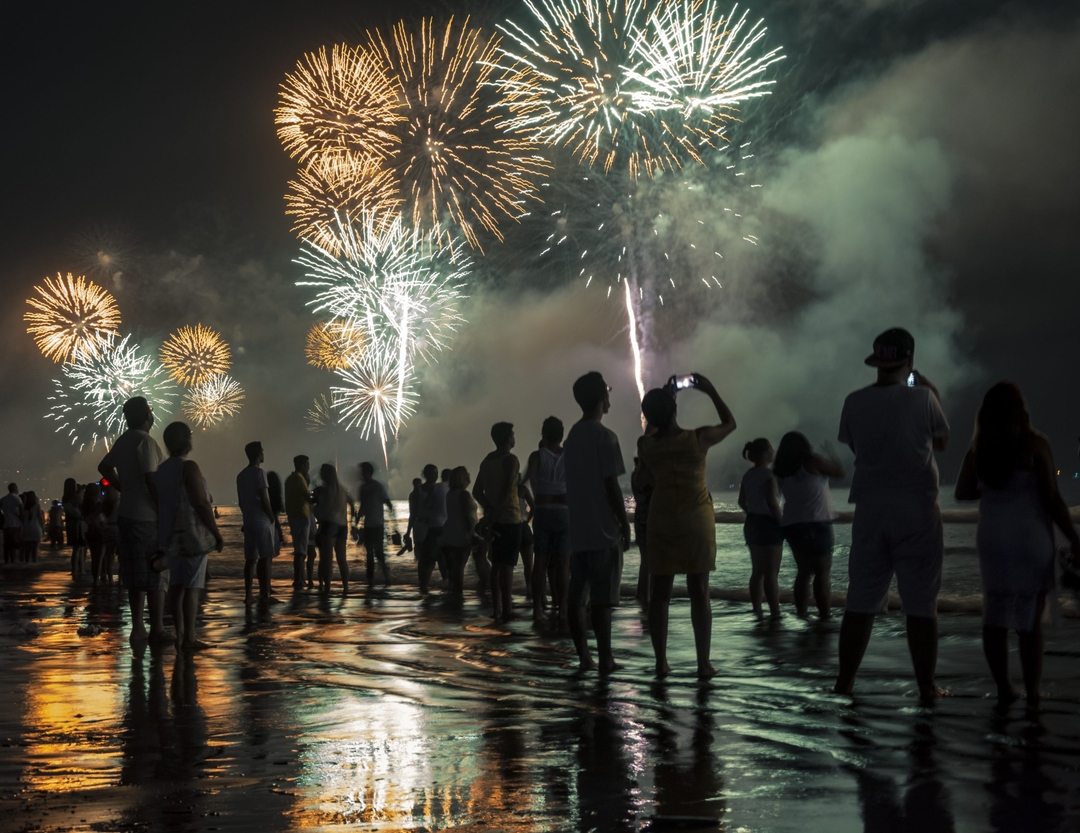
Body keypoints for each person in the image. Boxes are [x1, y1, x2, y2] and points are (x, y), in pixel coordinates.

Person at [834, 328, 950, 702]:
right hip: (917, 510)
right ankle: (926, 686)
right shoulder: (923, 399)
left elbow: (855, 446)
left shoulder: (853, 402)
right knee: (920, 604)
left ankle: (845, 682)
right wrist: (927, 386)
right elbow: (943, 441)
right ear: (909, 360)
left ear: (877, 361)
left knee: (860, 602)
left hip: (870, 511)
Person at [954, 382, 1080, 709]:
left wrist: (996, 488)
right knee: (1029, 622)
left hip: (993, 536)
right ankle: (1033, 692)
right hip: (1029, 537)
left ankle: (1005, 688)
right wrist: (1075, 539)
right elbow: (1051, 498)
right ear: (1020, 410)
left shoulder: (979, 448)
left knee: (994, 616)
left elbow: (963, 492)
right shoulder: (1036, 444)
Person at [637, 375, 737, 679]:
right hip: (696, 521)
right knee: (699, 591)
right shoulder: (699, 438)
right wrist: (709, 389)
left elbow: (653, 428)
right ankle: (703, 663)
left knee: (660, 594)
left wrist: (662, 402)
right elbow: (730, 423)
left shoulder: (645, 446)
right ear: (675, 410)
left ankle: (661, 662)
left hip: (662, 519)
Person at [564, 372, 630, 673]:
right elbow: (611, 486)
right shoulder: (606, 437)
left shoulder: (572, 437)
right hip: (603, 531)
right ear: (602, 397)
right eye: (608, 389)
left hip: (577, 530)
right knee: (603, 601)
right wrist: (625, 523)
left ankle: (583, 657)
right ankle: (606, 658)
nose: (610, 394)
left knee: (577, 597)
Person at [98, 396, 168, 644]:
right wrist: (164, 509)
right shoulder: (146, 442)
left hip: (126, 514)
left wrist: (124, 488)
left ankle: (138, 627)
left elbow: (103, 467)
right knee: (155, 572)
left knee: (134, 572)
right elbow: (151, 479)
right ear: (147, 416)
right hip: (146, 516)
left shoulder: (124, 440)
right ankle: (157, 628)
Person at [156, 421, 224, 651]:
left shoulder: (162, 470)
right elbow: (201, 503)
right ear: (186, 441)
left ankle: (180, 634)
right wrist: (216, 533)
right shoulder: (190, 467)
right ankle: (190, 637)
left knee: (176, 586)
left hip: (169, 536)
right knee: (192, 588)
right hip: (191, 535)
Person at [774, 432, 845, 619]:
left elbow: (776, 496)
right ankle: (824, 616)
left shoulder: (781, 468)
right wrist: (832, 455)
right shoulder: (813, 460)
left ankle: (802, 613)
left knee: (804, 572)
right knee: (822, 572)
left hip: (792, 524)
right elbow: (839, 472)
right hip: (816, 520)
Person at [524, 417, 571, 624]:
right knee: (563, 564)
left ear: (543, 433)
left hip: (542, 510)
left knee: (540, 562)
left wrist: (539, 490)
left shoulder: (537, 456)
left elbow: (526, 479)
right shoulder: (569, 455)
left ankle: (537, 609)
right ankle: (562, 609)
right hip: (564, 511)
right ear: (561, 434)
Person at [474, 423, 522, 621]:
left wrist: (489, 509)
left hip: (494, 520)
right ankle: (508, 608)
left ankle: (497, 608)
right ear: (507, 438)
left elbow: (476, 490)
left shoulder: (486, 461)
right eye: (512, 434)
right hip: (510, 518)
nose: (514, 437)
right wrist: (497, 511)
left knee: (496, 565)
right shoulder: (511, 460)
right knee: (508, 565)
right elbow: (508, 488)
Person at [738, 439, 783, 619]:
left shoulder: (748, 475)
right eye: (771, 449)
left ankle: (757, 609)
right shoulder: (769, 475)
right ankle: (775, 611)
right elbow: (773, 502)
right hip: (769, 524)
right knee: (771, 573)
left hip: (752, 523)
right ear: (765, 454)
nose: (774, 451)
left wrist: (754, 512)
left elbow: (741, 502)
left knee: (757, 571)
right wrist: (782, 523)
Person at [236, 441, 277, 605]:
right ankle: (265, 594)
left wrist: (246, 516)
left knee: (250, 559)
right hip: (261, 520)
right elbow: (264, 498)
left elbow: (241, 501)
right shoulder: (259, 473)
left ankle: (248, 595)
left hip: (249, 520)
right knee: (266, 557)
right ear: (258, 454)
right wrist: (272, 517)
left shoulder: (241, 475)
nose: (263, 453)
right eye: (262, 451)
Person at [312, 463, 355, 595]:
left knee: (326, 558)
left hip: (329, 524)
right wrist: (352, 522)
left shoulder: (326, 490)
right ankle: (346, 587)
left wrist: (314, 510)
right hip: (342, 526)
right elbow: (352, 504)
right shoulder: (342, 490)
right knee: (342, 559)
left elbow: (321, 510)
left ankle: (327, 587)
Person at [442, 466, 478, 599]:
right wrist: (473, 533)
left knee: (455, 565)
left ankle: (454, 590)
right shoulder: (464, 494)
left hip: (451, 529)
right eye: (467, 474)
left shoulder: (450, 493)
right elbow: (467, 516)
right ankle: (458, 592)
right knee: (460, 565)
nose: (469, 476)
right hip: (462, 531)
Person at [357, 461, 394, 587]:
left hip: (377, 525)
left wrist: (392, 525)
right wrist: (357, 522)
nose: (361, 474)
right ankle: (373, 579)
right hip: (369, 525)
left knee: (377, 553)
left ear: (367, 472)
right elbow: (363, 507)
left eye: (363, 472)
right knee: (370, 555)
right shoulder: (364, 488)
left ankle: (384, 578)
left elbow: (388, 503)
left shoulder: (377, 487)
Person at [285, 456, 316, 590]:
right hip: (302, 517)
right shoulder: (299, 478)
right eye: (307, 464)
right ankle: (298, 580)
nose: (308, 467)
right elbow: (307, 497)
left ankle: (300, 578)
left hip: (293, 516)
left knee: (300, 549)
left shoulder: (290, 479)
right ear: (302, 465)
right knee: (301, 551)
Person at [417, 464, 448, 593]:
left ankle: (428, 585)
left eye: (436, 473)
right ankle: (424, 585)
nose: (434, 476)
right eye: (432, 473)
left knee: (437, 558)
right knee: (428, 558)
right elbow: (418, 509)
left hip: (436, 526)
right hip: (427, 526)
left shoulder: (437, 488)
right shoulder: (435, 489)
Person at [517, 474, 535, 602]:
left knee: (507, 564)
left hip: (509, 526)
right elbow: (533, 506)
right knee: (528, 563)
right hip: (523, 526)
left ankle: (504, 591)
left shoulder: (502, 488)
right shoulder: (522, 489)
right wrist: (527, 519)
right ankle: (530, 589)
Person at [83, 485, 105, 584]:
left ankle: (94, 579)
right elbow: (96, 518)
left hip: (89, 531)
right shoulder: (98, 504)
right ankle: (97, 580)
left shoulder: (84, 505)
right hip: (98, 531)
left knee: (93, 557)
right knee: (100, 557)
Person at [100, 483, 120, 583]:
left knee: (109, 556)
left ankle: (110, 579)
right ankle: (121, 580)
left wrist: (101, 526)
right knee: (121, 557)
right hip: (118, 529)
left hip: (107, 529)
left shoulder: (105, 503)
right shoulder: (119, 502)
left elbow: (95, 517)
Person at [20, 492, 44, 564]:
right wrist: (43, 528)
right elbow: (40, 518)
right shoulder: (37, 506)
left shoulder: (23, 507)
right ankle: (34, 563)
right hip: (35, 528)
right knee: (35, 549)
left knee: (27, 548)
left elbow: (22, 518)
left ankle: (26, 563)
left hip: (26, 529)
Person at [2, 483, 23, 564]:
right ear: (15, 489)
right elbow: (21, 510)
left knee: (6, 545)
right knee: (14, 544)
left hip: (6, 525)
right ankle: (13, 562)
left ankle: (6, 562)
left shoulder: (4, 499)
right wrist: (21, 518)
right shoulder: (17, 498)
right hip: (14, 524)